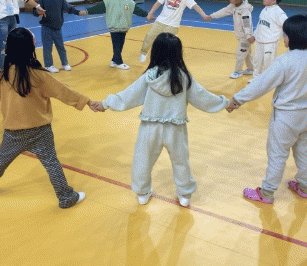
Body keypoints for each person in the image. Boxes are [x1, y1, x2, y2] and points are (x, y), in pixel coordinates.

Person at [93, 33, 230, 207]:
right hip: (176, 128)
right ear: (178, 53)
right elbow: (203, 97)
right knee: (181, 161)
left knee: (143, 159)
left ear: (155, 52)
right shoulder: (183, 77)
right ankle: (185, 194)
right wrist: (225, 103)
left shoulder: (150, 77)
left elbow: (128, 96)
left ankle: (142, 193)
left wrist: (105, 104)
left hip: (150, 127)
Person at [228, 14, 307, 204]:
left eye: (286, 34)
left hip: (285, 117)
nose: (284, 38)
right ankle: (305, 186)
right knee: (305, 151)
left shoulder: (285, 61)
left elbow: (261, 84)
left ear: (294, 37)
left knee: (277, 154)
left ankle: (267, 192)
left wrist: (238, 99)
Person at [0, 28, 96, 208]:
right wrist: (85, 101)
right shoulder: (39, 74)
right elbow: (62, 91)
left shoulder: (3, 75)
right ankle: (65, 197)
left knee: (0, 162)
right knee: (51, 163)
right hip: (40, 131)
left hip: (13, 133)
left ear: (8, 49)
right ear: (30, 49)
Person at [138, 0, 211, 63]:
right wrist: (150, 13)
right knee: (149, 36)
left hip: (173, 25)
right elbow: (158, 3)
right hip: (160, 21)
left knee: (167, 43)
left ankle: (163, 59)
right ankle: (143, 53)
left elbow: (195, 6)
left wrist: (204, 15)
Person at [85, 0, 148, 69]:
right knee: (117, 45)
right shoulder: (109, 1)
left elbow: (138, 10)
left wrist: (147, 15)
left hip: (124, 27)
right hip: (114, 27)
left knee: (120, 45)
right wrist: (87, 11)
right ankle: (119, 62)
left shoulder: (129, 1)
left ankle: (114, 60)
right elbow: (98, 8)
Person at [33, 0, 86, 73]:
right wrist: (37, 12)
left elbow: (69, 8)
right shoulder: (43, 0)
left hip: (57, 28)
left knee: (61, 47)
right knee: (47, 48)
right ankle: (49, 65)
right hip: (46, 28)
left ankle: (65, 63)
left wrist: (78, 12)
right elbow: (35, 11)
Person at [208, 0, 255, 78]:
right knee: (247, 54)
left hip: (245, 37)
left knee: (240, 54)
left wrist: (248, 35)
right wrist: (211, 16)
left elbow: (247, 23)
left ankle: (238, 72)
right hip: (241, 36)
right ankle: (251, 69)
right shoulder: (233, 6)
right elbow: (224, 11)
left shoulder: (245, 10)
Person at [252, 0, 287, 78]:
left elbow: (286, 25)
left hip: (270, 42)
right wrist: (254, 35)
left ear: (274, 1)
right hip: (259, 40)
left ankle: (268, 80)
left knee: (268, 63)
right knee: (256, 61)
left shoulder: (279, 13)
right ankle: (256, 78)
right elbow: (260, 24)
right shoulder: (264, 10)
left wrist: (287, 36)